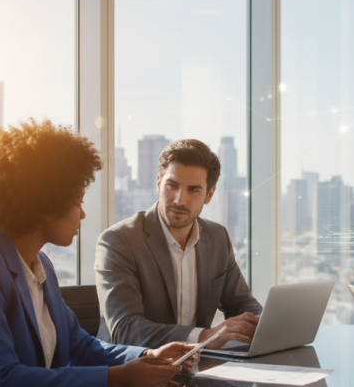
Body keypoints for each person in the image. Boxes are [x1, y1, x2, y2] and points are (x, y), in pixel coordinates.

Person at [0, 120, 194, 387]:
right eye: (77, 202)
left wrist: (145, 357)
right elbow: (1, 382)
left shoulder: (40, 265)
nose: (83, 213)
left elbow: (79, 345)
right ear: (47, 204)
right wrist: (116, 379)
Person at [95, 139, 262, 350]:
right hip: (132, 372)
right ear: (158, 183)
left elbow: (240, 303)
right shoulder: (119, 241)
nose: (179, 200)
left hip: (196, 371)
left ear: (209, 195)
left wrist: (263, 323)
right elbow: (125, 329)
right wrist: (206, 336)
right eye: (172, 185)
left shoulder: (217, 237)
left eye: (193, 190)